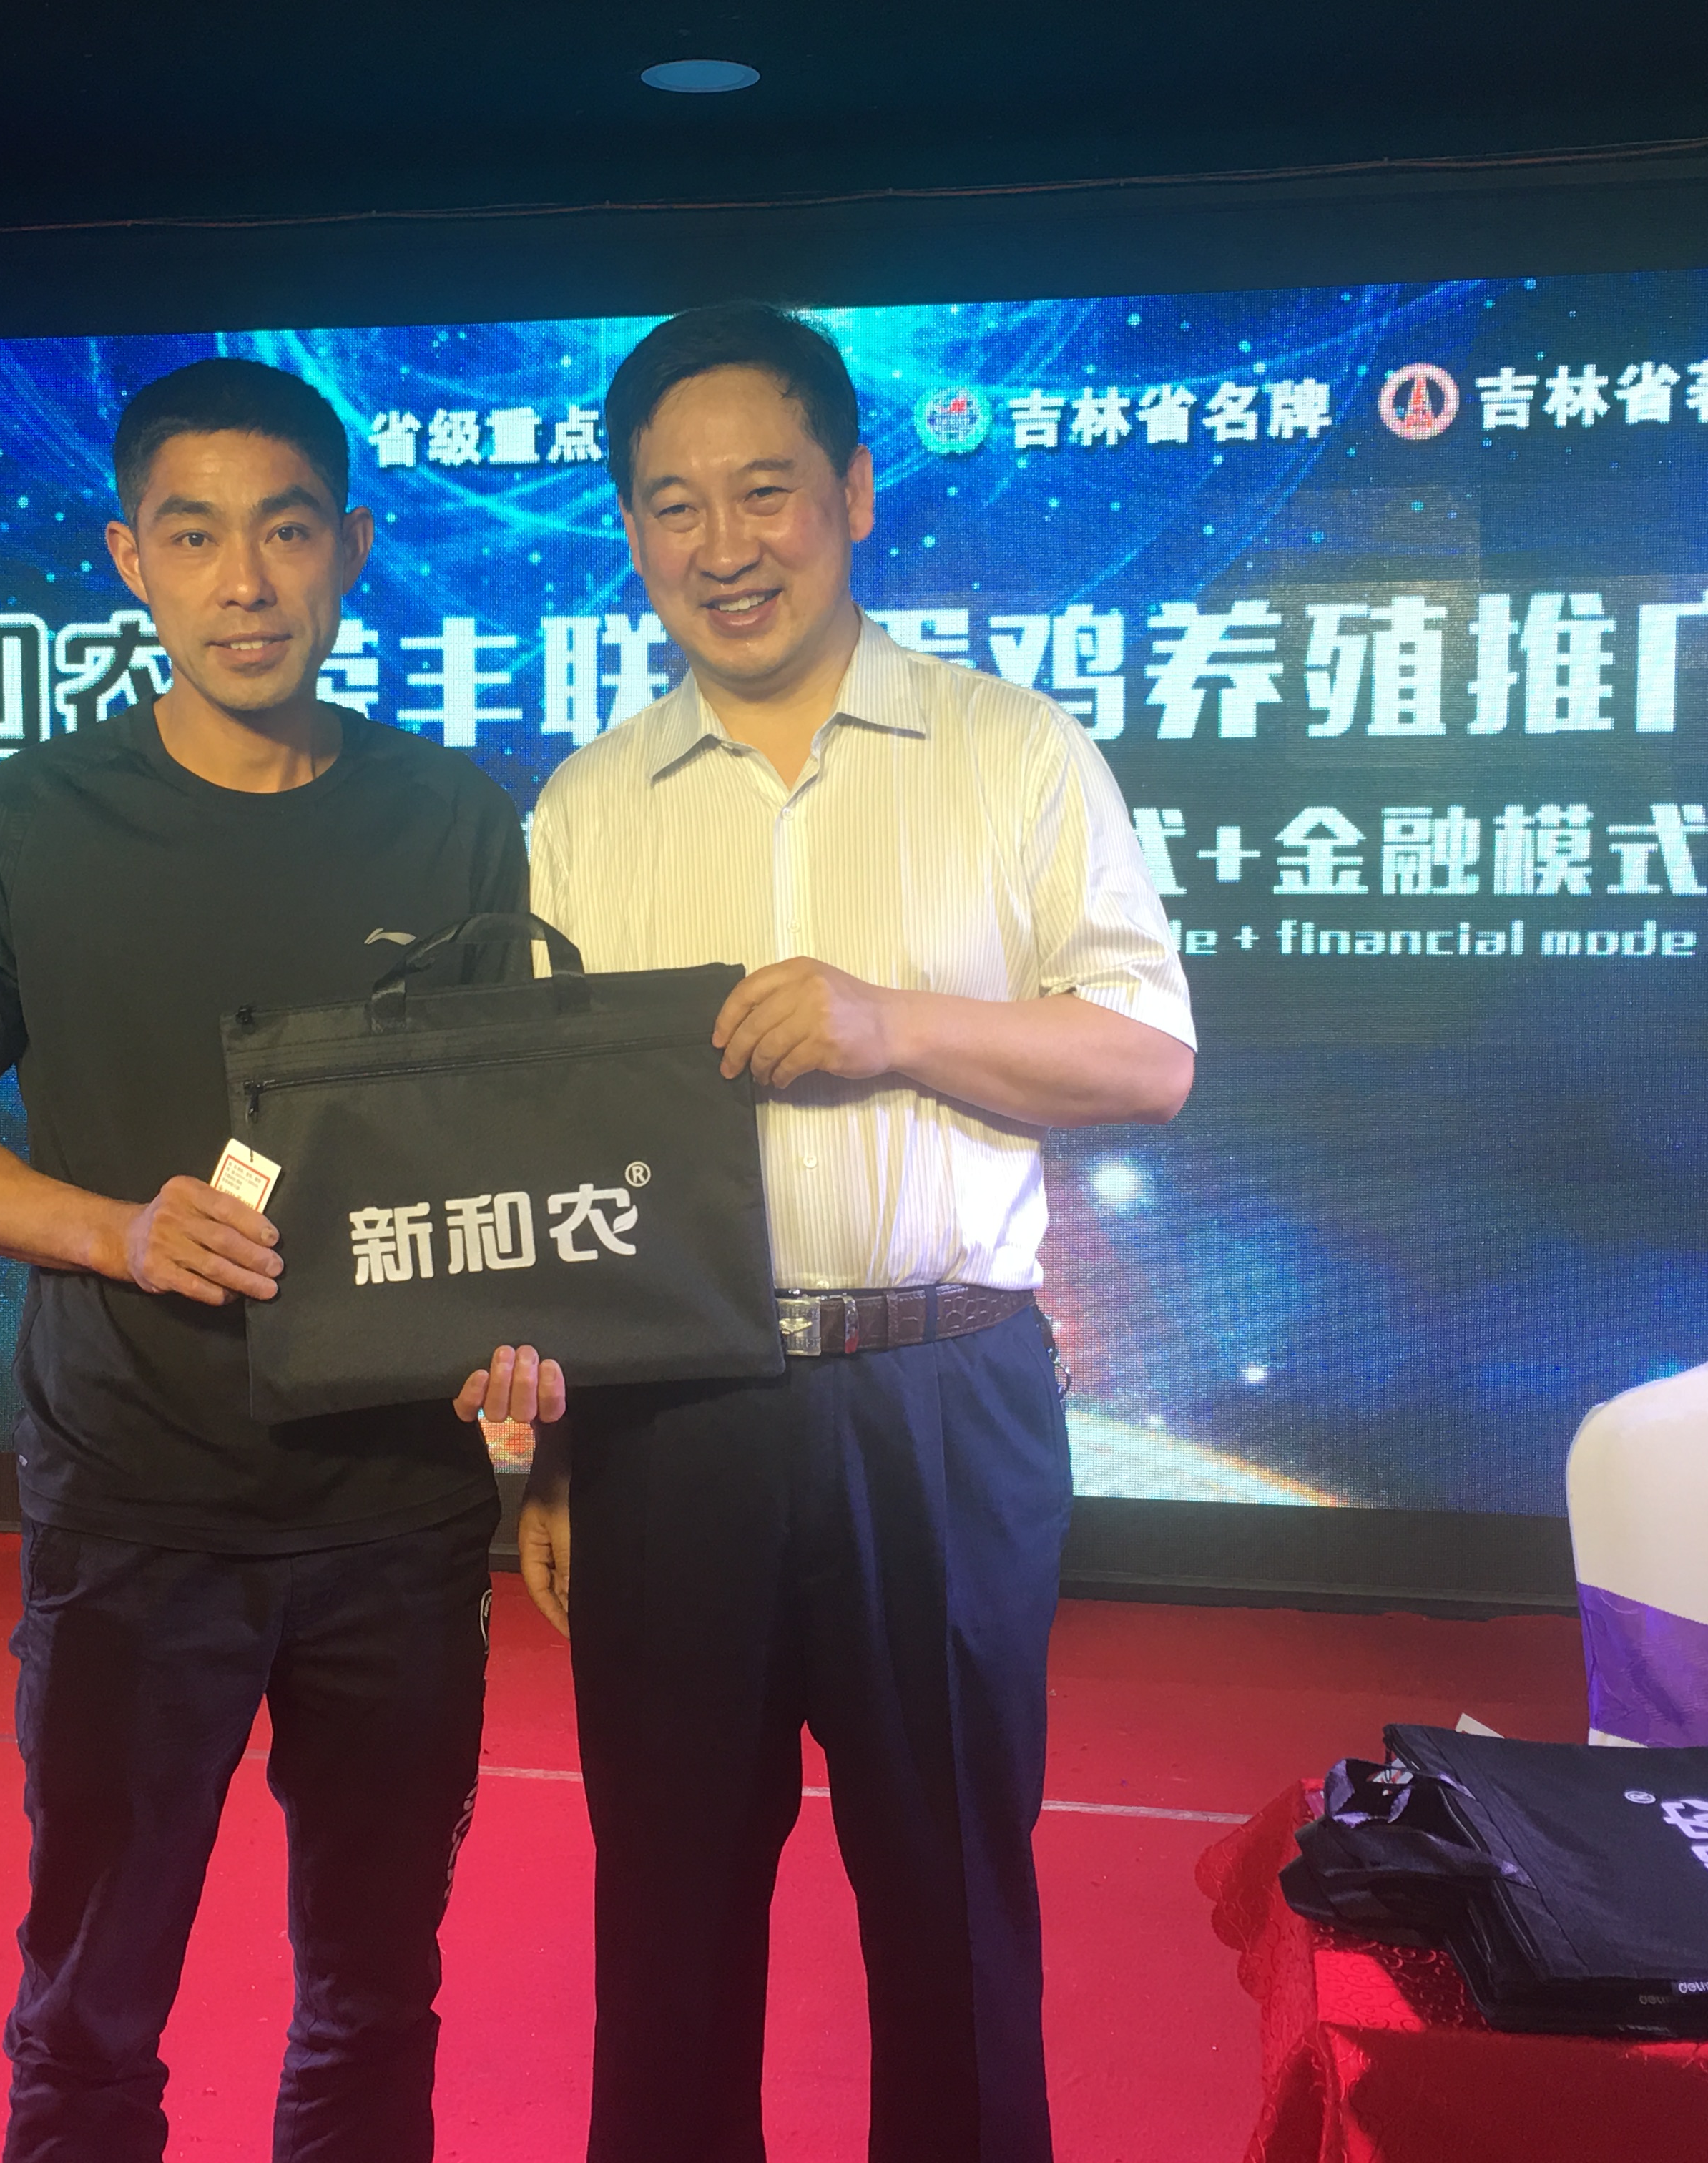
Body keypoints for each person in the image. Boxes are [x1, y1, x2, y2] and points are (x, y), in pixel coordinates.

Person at [513, 302, 1198, 2163]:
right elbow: (557, 1155)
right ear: (630, 532)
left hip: (938, 1404)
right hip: (669, 1419)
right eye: (674, 506)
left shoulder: (1010, 752)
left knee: (953, 1913)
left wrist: (894, 1026)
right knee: (666, 1924)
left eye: (767, 492)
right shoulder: (585, 808)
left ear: (857, 493)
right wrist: (548, 1452)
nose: (724, 546)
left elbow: (1149, 1058)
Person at [0, 356, 531, 2163]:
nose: (245, 582)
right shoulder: (20, 826)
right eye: (195, 535)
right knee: (92, 2002)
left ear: (354, 549)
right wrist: (118, 1229)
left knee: (376, 1993)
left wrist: (521, 1366)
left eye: (287, 533)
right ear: (129, 559)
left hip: (397, 1519)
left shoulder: (457, 819)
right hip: (135, 1509)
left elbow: (495, 1149)